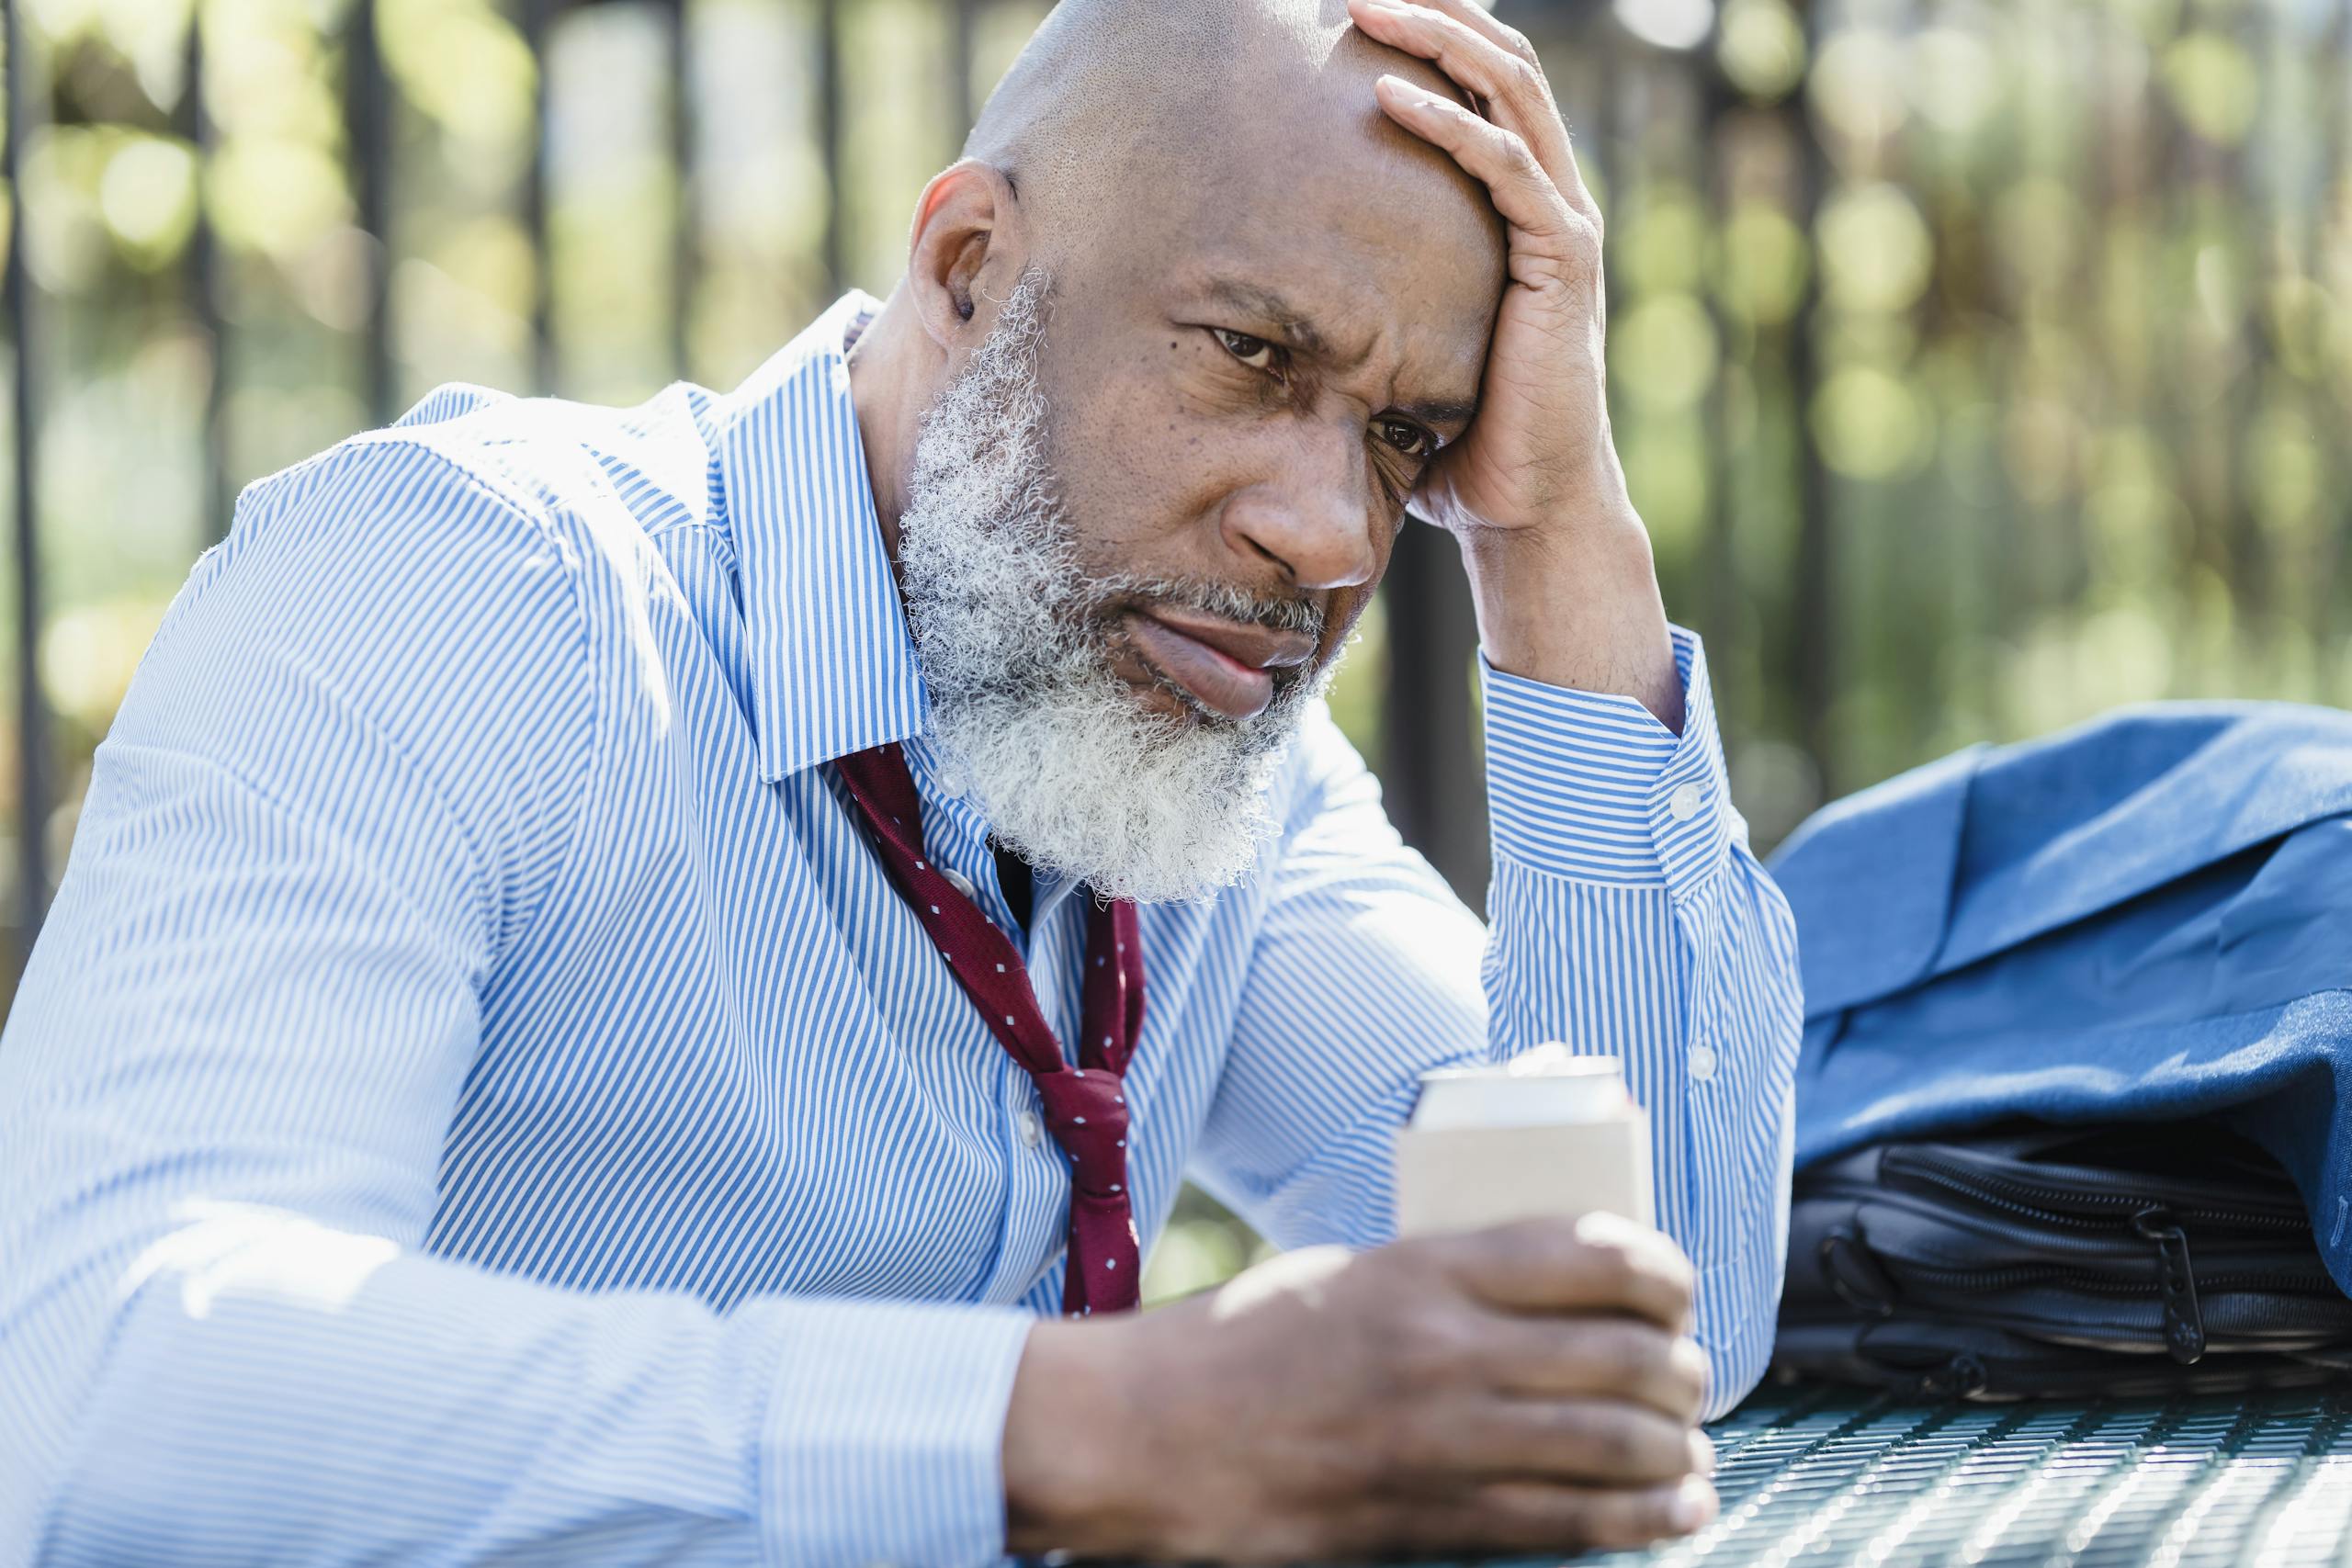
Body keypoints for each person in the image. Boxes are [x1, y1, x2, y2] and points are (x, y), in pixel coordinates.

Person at [0, 0, 1802, 1560]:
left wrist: (1556, 527)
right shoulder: (458, 591)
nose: (1328, 534)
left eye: (1402, 439)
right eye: (1249, 354)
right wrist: (1091, 1427)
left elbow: (1652, 1323)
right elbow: (113, 1388)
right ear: (969, 269)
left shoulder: (1205, 766)